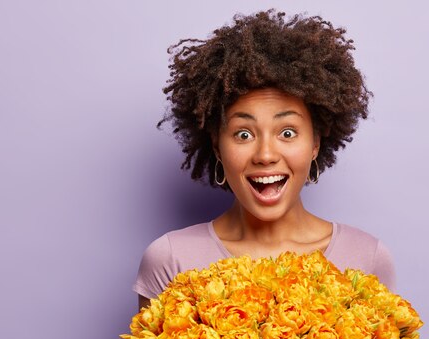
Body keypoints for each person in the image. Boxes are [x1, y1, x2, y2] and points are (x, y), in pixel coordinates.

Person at [134, 9, 396, 310]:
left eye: (287, 132)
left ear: (315, 143)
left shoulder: (367, 259)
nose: (266, 155)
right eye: (244, 134)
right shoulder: (169, 259)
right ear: (217, 147)